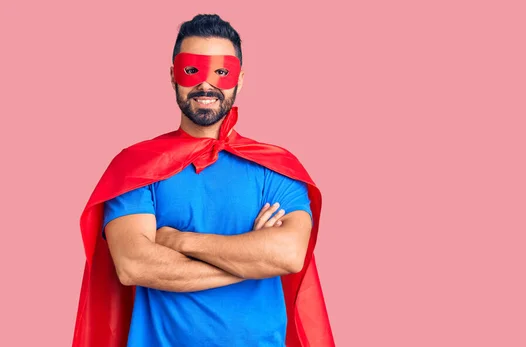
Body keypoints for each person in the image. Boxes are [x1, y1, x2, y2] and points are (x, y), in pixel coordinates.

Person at [72, 14, 334, 347]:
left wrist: (179, 241)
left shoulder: (276, 167)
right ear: (172, 76)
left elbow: (289, 255)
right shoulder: (134, 166)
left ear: (240, 80)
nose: (206, 85)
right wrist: (253, 261)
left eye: (222, 72)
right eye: (192, 70)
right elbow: (134, 265)